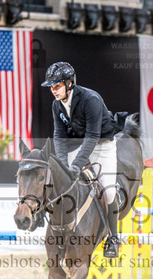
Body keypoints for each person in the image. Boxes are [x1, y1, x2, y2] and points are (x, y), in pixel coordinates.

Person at [41, 61, 120, 258]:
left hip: (102, 145)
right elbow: (59, 135)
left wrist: (76, 165)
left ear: (69, 84)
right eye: (51, 87)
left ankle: (113, 238)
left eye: (57, 86)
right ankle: (42, 219)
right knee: (56, 178)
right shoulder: (56, 105)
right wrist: (62, 163)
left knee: (109, 191)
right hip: (78, 145)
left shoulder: (90, 99)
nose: (53, 90)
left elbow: (92, 136)